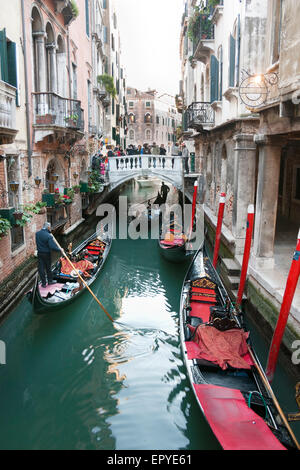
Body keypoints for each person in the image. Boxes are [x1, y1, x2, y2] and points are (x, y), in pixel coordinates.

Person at [36, 222, 62, 288]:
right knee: (48, 268)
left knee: (41, 268)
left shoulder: (37, 234)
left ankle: (44, 284)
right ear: (48, 227)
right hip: (46, 254)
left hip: (39, 253)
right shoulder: (48, 236)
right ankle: (50, 281)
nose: (50, 228)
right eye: (50, 227)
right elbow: (52, 246)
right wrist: (60, 249)